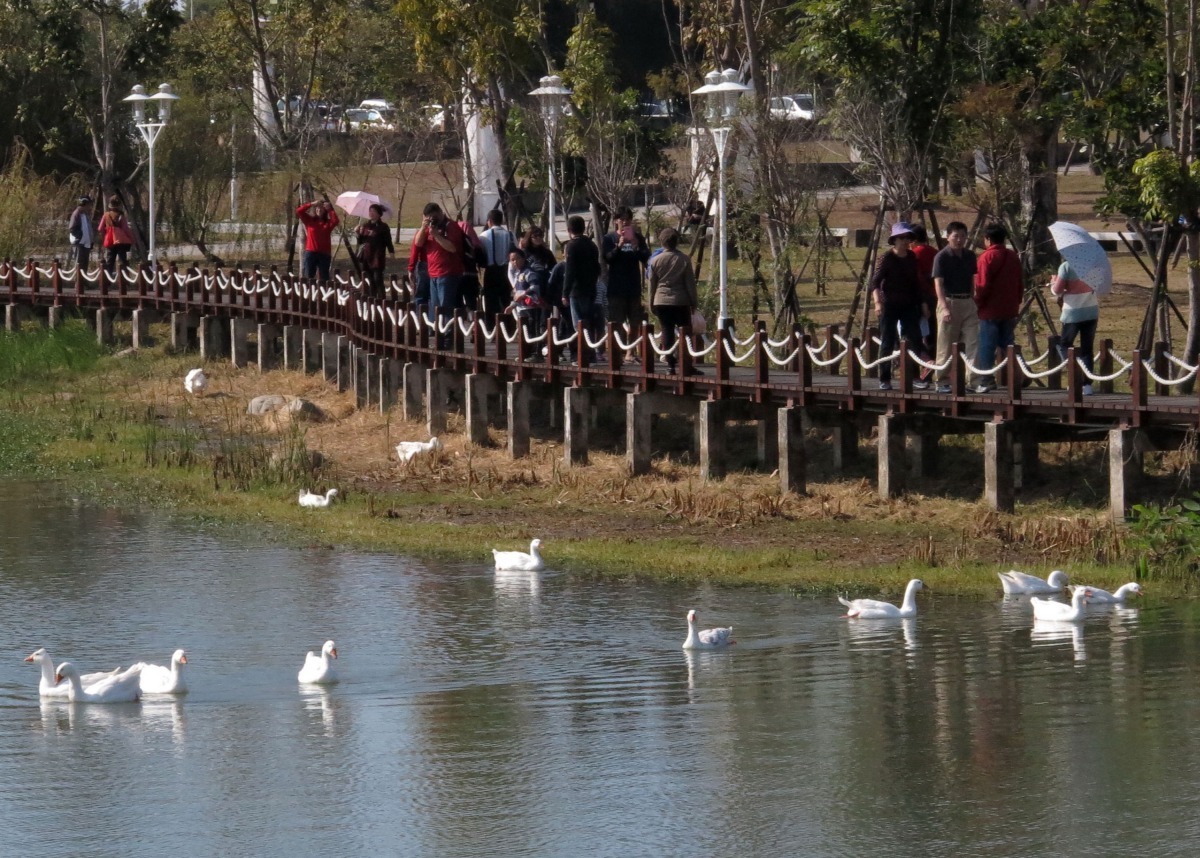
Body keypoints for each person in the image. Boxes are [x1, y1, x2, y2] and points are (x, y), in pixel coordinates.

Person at [871, 222, 925, 390]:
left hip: (909, 303)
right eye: (901, 238)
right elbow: (874, 283)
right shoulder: (886, 258)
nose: (904, 241)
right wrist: (878, 302)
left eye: (907, 237)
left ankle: (915, 376)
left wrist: (923, 303)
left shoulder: (911, 257)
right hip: (889, 304)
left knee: (914, 339)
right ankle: (885, 378)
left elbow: (916, 283)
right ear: (894, 240)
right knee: (887, 341)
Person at [973, 222, 1025, 393]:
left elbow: (982, 285)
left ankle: (987, 379)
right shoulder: (1013, 256)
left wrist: (977, 303)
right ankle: (1020, 373)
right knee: (1008, 343)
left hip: (990, 309)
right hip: (1009, 307)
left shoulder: (985, 258)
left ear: (987, 239)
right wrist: (1017, 301)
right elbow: (1019, 282)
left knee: (987, 345)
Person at [931, 221, 979, 393]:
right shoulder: (941, 257)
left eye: (963, 236)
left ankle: (973, 381)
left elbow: (973, 279)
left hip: (968, 302)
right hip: (949, 301)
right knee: (946, 344)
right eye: (956, 236)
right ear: (948, 237)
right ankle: (942, 381)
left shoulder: (970, 255)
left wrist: (973, 298)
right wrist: (944, 308)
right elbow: (938, 284)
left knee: (973, 342)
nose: (959, 240)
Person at [648, 228, 700, 375]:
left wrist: (651, 302)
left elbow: (652, 284)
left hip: (661, 300)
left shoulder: (655, 260)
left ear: (661, 242)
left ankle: (670, 365)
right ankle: (686, 365)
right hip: (680, 301)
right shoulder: (684, 259)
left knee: (667, 331)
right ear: (677, 242)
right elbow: (690, 283)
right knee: (685, 333)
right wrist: (693, 302)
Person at [414, 202, 464, 348]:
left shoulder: (451, 226)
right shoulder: (428, 228)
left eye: (435, 217)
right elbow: (417, 244)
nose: (433, 221)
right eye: (430, 218)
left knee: (446, 306)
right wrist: (424, 228)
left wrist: (436, 235)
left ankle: (448, 338)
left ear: (441, 213)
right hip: (433, 273)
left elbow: (452, 248)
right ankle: (439, 337)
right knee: (436, 307)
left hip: (448, 273)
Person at [601, 207, 650, 358]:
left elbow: (646, 258)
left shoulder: (638, 238)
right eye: (622, 219)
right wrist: (619, 246)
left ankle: (630, 352)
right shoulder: (609, 238)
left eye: (627, 219)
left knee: (635, 321)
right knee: (616, 322)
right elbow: (607, 258)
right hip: (616, 287)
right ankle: (617, 353)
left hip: (633, 286)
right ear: (616, 221)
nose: (625, 221)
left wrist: (636, 246)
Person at [1050, 258, 1099, 396]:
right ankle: (1087, 384)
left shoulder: (1066, 267)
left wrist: (1054, 281)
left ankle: (1074, 378)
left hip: (1073, 313)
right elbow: (1097, 285)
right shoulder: (1093, 264)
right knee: (1087, 348)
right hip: (1091, 310)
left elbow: (1057, 290)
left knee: (1065, 344)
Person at [561, 215, 601, 364]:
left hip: (577, 290)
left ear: (569, 230)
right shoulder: (592, 245)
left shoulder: (572, 246)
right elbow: (597, 268)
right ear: (584, 228)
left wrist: (565, 292)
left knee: (578, 324)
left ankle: (582, 355)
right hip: (591, 288)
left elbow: (570, 271)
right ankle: (591, 354)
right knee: (588, 322)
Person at [505, 248, 548, 345]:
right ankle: (525, 353)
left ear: (523, 258)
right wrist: (512, 306)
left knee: (533, 332)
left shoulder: (529, 272)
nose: (515, 262)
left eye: (517, 259)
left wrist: (524, 294)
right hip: (521, 308)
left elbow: (535, 287)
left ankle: (537, 353)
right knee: (524, 332)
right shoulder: (517, 275)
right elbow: (516, 294)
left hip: (532, 308)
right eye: (512, 260)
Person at [910, 223, 938, 367]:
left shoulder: (914, 255)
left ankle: (923, 362)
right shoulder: (935, 252)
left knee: (918, 333)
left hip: (920, 298)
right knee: (932, 332)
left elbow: (917, 279)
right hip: (935, 296)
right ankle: (932, 363)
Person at [478, 209, 515, 321]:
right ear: (501, 220)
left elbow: (481, 253)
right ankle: (508, 326)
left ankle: (491, 326)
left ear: (489, 221)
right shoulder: (510, 235)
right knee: (506, 300)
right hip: (506, 271)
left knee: (491, 301)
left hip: (491, 272)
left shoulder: (484, 235)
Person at [353, 203, 394, 299]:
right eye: (370, 211)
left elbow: (388, 241)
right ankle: (372, 299)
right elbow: (361, 241)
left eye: (373, 211)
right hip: (367, 256)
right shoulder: (365, 225)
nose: (371, 213)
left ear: (379, 214)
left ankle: (381, 299)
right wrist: (358, 233)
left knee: (377, 279)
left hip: (377, 256)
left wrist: (391, 252)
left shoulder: (383, 227)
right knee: (370, 279)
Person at [296, 199, 339, 282]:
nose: (319, 210)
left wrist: (330, 209)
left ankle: (323, 293)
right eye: (317, 208)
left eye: (321, 208)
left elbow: (335, 221)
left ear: (324, 210)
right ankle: (309, 293)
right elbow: (299, 211)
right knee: (309, 276)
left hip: (324, 254)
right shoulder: (310, 220)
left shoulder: (328, 223)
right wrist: (311, 203)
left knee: (324, 278)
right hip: (311, 252)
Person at [97, 195, 135, 276]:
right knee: (122, 260)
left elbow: (100, 228)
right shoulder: (121, 216)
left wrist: (105, 234)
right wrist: (132, 239)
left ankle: (107, 279)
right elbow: (125, 229)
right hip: (121, 241)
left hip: (110, 240)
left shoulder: (106, 215)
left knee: (110, 261)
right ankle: (124, 279)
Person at [457, 218, 485, 313]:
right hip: (471, 276)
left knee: (457, 305)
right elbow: (482, 261)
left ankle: (458, 324)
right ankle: (474, 325)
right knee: (472, 304)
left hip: (456, 276)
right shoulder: (474, 243)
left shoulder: (454, 242)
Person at [67, 196, 95, 270]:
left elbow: (89, 229)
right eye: (89, 204)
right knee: (79, 263)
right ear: (84, 204)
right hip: (79, 243)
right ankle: (78, 280)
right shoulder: (77, 214)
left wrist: (91, 241)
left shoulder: (85, 214)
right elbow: (72, 228)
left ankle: (83, 280)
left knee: (85, 264)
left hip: (86, 244)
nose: (90, 207)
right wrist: (80, 237)